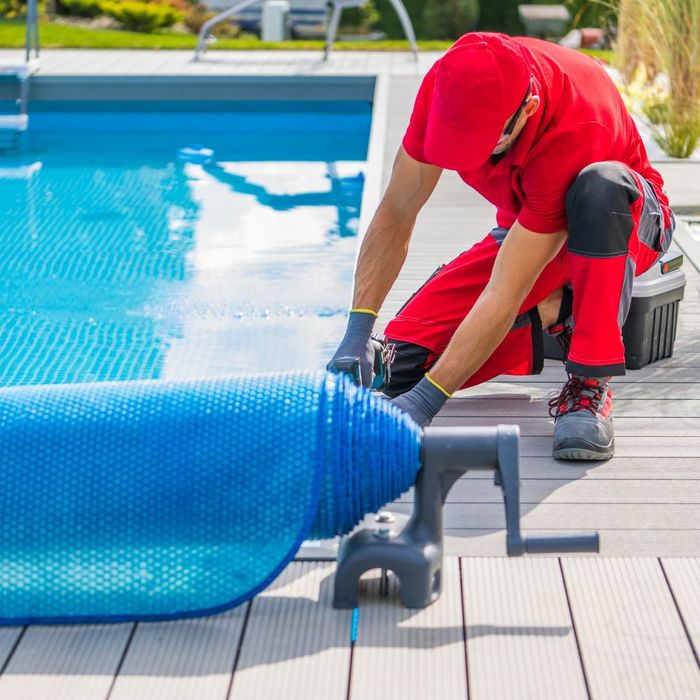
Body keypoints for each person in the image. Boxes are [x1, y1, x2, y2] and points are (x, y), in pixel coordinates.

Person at [327, 32, 675, 461]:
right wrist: (357, 332)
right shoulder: (447, 85)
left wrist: (424, 406)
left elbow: (504, 290)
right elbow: (398, 209)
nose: (470, 160)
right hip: (527, 227)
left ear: (526, 111)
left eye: (481, 145)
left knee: (599, 187)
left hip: (626, 222)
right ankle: (559, 313)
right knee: (403, 364)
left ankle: (589, 383)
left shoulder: (578, 124)